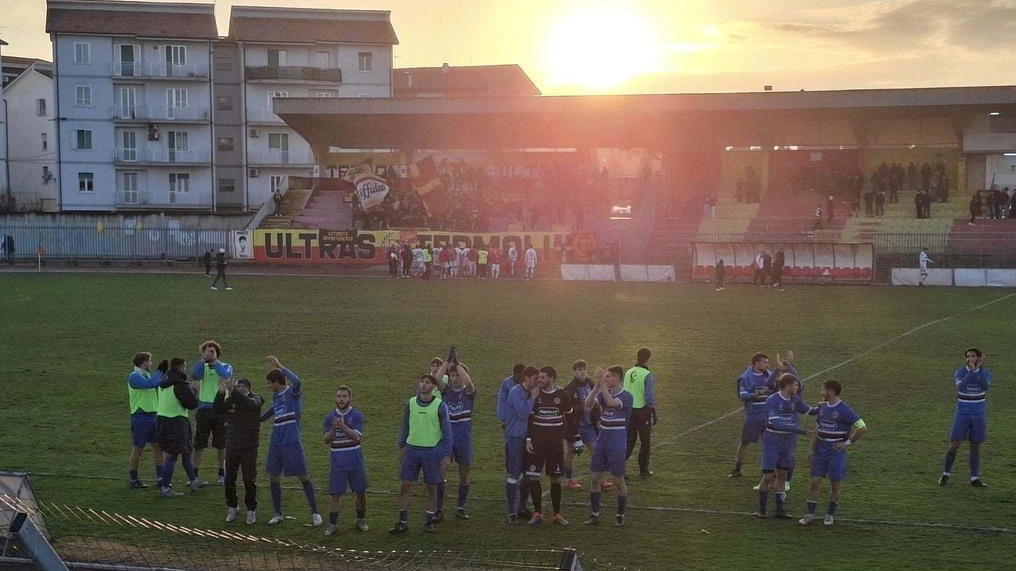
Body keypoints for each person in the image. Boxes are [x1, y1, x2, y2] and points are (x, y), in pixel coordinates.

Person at [261, 356, 323, 527]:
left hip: (291, 442)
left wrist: (281, 367)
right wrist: (257, 418)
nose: (268, 386)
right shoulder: (276, 397)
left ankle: (315, 512)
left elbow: (298, 381)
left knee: (303, 477)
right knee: (273, 478)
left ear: (277, 382)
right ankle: (277, 513)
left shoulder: (292, 393)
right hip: (276, 443)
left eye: (269, 383)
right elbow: (273, 410)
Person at [799, 380, 867, 526]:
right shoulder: (822, 407)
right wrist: (811, 449)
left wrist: (847, 443)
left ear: (830, 391)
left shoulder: (845, 410)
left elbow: (862, 427)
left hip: (836, 451)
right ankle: (810, 514)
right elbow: (818, 429)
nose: (821, 392)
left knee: (835, 484)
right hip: (820, 450)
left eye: (822, 390)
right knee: (814, 482)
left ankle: (829, 515)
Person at [391, 374, 453, 534]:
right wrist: (401, 446)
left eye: (427, 382)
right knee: (405, 485)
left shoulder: (440, 406)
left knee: (431, 487)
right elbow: (405, 426)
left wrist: (446, 455)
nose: (423, 384)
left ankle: (429, 520)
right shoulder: (411, 403)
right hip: (412, 450)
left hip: (432, 451)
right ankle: (402, 521)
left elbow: (447, 432)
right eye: (422, 382)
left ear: (434, 387)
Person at [758, 374, 816, 519]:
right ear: (787, 386)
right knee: (767, 476)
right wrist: (802, 431)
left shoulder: (795, 400)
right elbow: (777, 424)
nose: (797, 387)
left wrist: (825, 406)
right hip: (772, 441)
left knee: (782, 475)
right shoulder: (772, 400)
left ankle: (779, 510)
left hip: (787, 442)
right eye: (795, 385)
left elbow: (809, 410)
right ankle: (762, 510)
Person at [582, 366, 633, 527]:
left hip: (616, 445)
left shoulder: (626, 397)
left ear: (617, 378)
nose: (606, 379)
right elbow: (587, 404)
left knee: (618, 480)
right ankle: (595, 514)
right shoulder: (604, 393)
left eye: (608, 377)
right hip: (602, 443)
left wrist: (602, 385)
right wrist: (597, 386)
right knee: (595, 478)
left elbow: (611, 403)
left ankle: (620, 514)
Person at [524, 366, 574, 526]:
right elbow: (529, 419)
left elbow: (570, 417)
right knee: (533, 476)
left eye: (543, 377)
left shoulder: (562, 395)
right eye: (539, 377)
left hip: (555, 444)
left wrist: (574, 437)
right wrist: (529, 439)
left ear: (552, 378)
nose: (540, 380)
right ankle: (537, 513)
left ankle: (557, 515)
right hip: (537, 443)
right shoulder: (535, 395)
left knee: (555, 478)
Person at [213, 377, 264, 525]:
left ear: (249, 388)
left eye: (242, 386)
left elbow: (250, 405)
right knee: (229, 479)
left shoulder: (256, 399)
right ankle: (233, 506)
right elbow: (217, 409)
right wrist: (221, 393)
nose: (240, 388)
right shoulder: (231, 400)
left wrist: (233, 392)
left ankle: (251, 509)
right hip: (232, 445)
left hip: (249, 446)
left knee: (249, 479)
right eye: (238, 386)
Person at [939, 348, 991, 488]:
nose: (970, 359)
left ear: (979, 358)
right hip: (962, 413)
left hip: (978, 414)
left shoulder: (985, 372)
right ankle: (946, 473)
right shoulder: (960, 372)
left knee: (975, 446)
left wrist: (977, 371)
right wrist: (972, 371)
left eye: (973, 356)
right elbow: (961, 387)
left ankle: (974, 478)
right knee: (954, 445)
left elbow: (985, 386)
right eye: (968, 357)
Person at [322, 385, 369, 536]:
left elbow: (357, 436)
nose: (341, 399)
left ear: (349, 398)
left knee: (360, 491)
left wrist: (343, 426)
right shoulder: (330, 418)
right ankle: (333, 524)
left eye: (344, 396)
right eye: (339, 397)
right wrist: (334, 430)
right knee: (335, 493)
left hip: (355, 459)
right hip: (338, 461)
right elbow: (325, 440)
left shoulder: (356, 415)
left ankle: (361, 520)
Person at [434, 358, 476, 519]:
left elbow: (469, 382)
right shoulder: (446, 391)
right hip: (447, 439)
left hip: (464, 439)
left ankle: (460, 508)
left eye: (457, 375)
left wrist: (458, 365)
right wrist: (447, 362)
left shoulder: (469, 393)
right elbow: (436, 380)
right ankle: (439, 509)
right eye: (452, 375)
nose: (454, 378)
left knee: (464, 474)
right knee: (441, 471)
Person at [156, 358, 201, 497]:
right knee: (174, 455)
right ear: (181, 368)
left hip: (162, 420)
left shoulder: (163, 383)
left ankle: (193, 481)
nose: (186, 369)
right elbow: (191, 404)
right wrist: (194, 391)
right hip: (177, 421)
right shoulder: (180, 385)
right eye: (185, 367)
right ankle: (165, 488)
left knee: (185, 452)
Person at [191, 341, 233, 486]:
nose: (209, 353)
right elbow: (194, 375)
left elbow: (225, 375)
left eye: (212, 351)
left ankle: (222, 474)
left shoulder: (225, 365)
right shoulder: (201, 367)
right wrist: (203, 360)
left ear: (217, 353)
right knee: (198, 445)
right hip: (204, 410)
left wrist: (214, 362)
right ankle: (194, 476)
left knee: (221, 444)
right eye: (207, 351)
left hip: (221, 410)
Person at [729, 352, 771, 479]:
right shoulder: (745, 377)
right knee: (745, 442)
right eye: (765, 362)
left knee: (768, 443)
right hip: (754, 414)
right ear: (756, 363)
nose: (767, 365)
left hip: (769, 415)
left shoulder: (769, 375)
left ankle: (768, 472)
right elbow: (743, 395)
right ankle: (737, 468)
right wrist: (757, 393)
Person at [127, 352, 164, 489]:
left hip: (153, 415)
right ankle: (133, 479)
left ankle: (160, 478)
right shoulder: (134, 377)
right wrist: (160, 371)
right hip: (140, 416)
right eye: (149, 361)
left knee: (158, 447)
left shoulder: (147, 375)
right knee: (138, 449)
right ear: (143, 362)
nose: (151, 364)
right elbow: (150, 384)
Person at [624, 348, 656, 479]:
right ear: (648, 359)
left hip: (628, 411)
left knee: (629, 441)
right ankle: (643, 470)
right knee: (645, 442)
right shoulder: (647, 375)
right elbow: (648, 397)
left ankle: (621, 470)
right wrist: (653, 411)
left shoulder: (628, 372)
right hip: (642, 412)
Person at [563, 360, 596, 491]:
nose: (583, 371)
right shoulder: (569, 388)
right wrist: (583, 409)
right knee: (571, 452)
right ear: (574, 371)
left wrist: (597, 418)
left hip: (588, 426)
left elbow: (596, 401)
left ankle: (598, 478)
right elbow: (566, 408)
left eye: (584, 369)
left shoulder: (591, 384)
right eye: (579, 369)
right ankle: (568, 479)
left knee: (596, 450)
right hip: (574, 427)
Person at [496, 364, 527, 430]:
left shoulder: (529, 383)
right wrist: (503, 419)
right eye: (519, 376)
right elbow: (502, 400)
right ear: (515, 374)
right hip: (511, 418)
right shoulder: (506, 383)